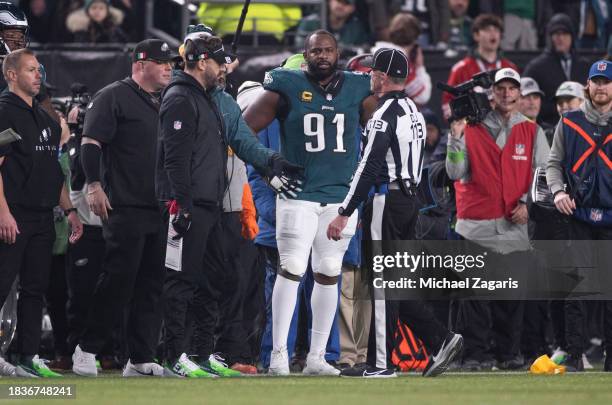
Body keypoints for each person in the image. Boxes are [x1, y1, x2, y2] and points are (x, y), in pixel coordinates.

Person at [156, 35, 302, 377]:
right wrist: (182, 204)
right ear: (200, 61)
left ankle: (202, 354)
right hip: (188, 205)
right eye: (219, 62)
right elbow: (173, 159)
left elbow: (243, 140)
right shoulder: (179, 98)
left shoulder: (217, 100)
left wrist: (273, 161)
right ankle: (174, 356)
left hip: (212, 205)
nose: (225, 68)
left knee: (211, 281)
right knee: (181, 281)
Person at [244, 29, 377, 376]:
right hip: (297, 196)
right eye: (315, 50)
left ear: (338, 53)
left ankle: (318, 357)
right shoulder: (285, 84)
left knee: (330, 271)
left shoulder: (357, 87)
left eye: (328, 50)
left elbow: (378, 135)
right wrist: (267, 168)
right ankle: (278, 356)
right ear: (305, 56)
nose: (322, 55)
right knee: (291, 269)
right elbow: (243, 131)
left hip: (339, 199)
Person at [326, 48, 462, 378]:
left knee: (384, 283)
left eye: (374, 72)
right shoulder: (413, 111)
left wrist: (344, 210)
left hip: (388, 200)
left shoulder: (384, 116)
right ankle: (439, 339)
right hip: (409, 201)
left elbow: (369, 167)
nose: (370, 76)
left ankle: (382, 363)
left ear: (383, 77)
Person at [70, 39, 176, 378]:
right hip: (124, 204)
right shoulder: (113, 95)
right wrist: (94, 184)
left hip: (158, 206)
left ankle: (140, 357)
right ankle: (87, 348)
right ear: (140, 64)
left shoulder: (165, 101)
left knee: (151, 285)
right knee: (119, 280)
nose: (168, 68)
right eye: (161, 62)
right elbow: (90, 143)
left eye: (170, 62)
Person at [446, 68, 551, 370]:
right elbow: (454, 172)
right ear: (491, 92)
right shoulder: (470, 127)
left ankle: (509, 354)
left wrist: (529, 206)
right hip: (476, 224)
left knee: (511, 297)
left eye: (512, 88)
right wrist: (454, 139)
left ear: (519, 94)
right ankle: (476, 355)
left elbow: (544, 175)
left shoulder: (532, 131)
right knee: (475, 296)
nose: (506, 93)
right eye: (500, 88)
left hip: (513, 226)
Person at [0, 48, 82, 378]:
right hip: (14, 213)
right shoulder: (4, 113)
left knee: (35, 289)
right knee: (2, 285)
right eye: (31, 70)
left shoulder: (46, 118)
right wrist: (3, 213)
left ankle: (27, 355)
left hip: (43, 216)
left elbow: (53, 171)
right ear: (11, 75)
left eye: (39, 69)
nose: (38, 75)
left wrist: (71, 210)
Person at [546, 59, 612, 372]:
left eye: (606, 81)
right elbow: (553, 163)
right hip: (578, 215)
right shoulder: (569, 122)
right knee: (577, 287)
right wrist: (558, 192)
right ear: (588, 85)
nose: (601, 86)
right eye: (596, 81)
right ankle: (574, 355)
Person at [442, 14, 518, 121]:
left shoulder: (509, 68)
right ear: (476, 35)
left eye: (496, 30)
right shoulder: (460, 68)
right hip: (472, 130)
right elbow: (447, 106)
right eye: (487, 30)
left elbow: (519, 101)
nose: (493, 34)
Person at [523, 13, 591, 128]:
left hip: (584, 128)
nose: (560, 38)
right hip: (548, 129)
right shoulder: (535, 67)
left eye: (565, 33)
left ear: (572, 37)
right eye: (556, 34)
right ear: (550, 37)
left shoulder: (585, 65)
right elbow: (523, 100)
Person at [371, 13, 432, 106]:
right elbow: (423, 97)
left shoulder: (374, 51)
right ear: (415, 39)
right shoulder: (400, 62)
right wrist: (420, 67)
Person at [295, 0, 370, 49]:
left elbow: (363, 49)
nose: (340, 6)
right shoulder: (310, 22)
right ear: (329, 2)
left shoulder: (356, 26)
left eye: (346, 3)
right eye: (338, 1)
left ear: (353, 8)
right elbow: (300, 48)